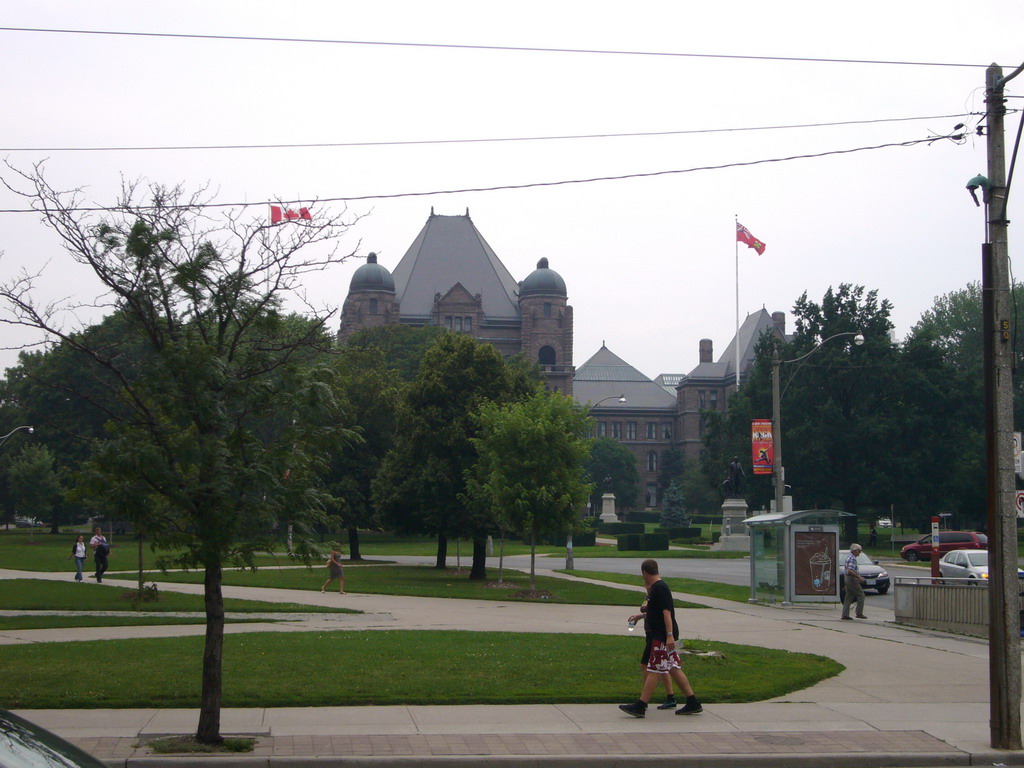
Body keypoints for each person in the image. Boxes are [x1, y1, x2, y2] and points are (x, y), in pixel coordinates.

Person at [619, 559, 702, 718]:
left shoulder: (660, 588)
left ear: (645, 573)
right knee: (673, 668)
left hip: (663, 636)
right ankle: (693, 702)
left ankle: (641, 706)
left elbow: (666, 613)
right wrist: (641, 616)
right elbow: (657, 612)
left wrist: (669, 636)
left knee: (654, 670)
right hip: (665, 635)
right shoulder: (658, 588)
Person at [628, 588, 676, 709]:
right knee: (663, 666)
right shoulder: (648, 594)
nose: (645, 583)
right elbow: (650, 612)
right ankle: (670, 698)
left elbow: (660, 613)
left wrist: (669, 635)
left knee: (645, 665)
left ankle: (642, 701)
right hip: (650, 632)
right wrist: (640, 617)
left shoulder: (658, 593)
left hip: (656, 634)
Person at [841, 542, 867, 620]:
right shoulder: (852, 559)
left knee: (848, 597)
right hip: (851, 579)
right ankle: (859, 613)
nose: (860, 552)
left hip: (848, 579)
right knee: (861, 595)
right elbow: (850, 571)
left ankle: (845, 614)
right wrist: (858, 577)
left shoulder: (849, 557)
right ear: (855, 550)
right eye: (859, 551)